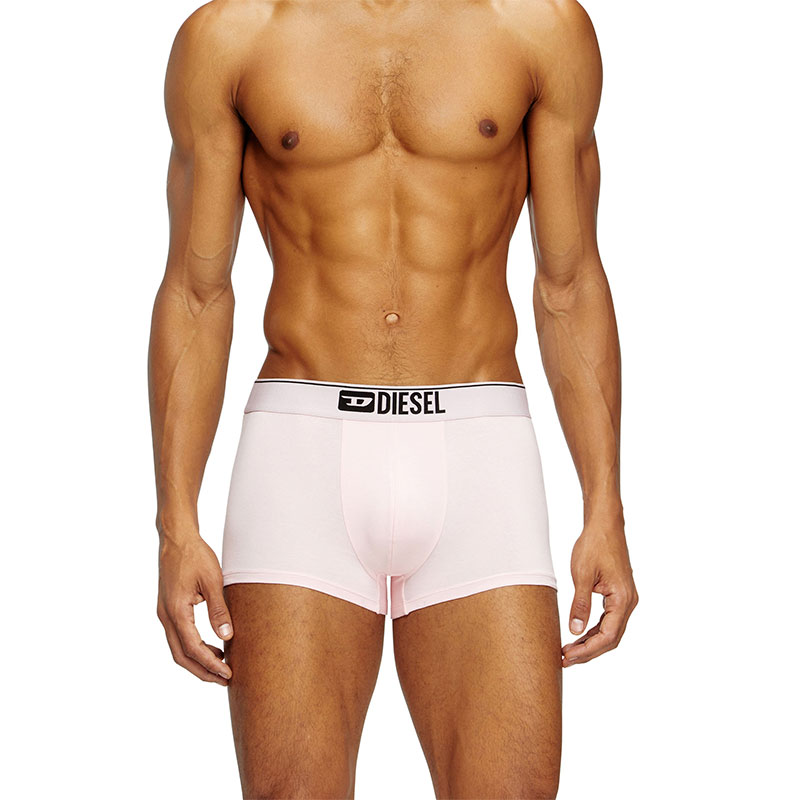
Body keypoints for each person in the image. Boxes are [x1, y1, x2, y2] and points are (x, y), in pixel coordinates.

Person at [148, 0, 638, 796]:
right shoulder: (232, 36)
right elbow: (196, 291)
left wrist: (604, 506)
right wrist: (176, 525)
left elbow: (570, 281)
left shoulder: (539, 27)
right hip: (302, 455)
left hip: (479, 450)